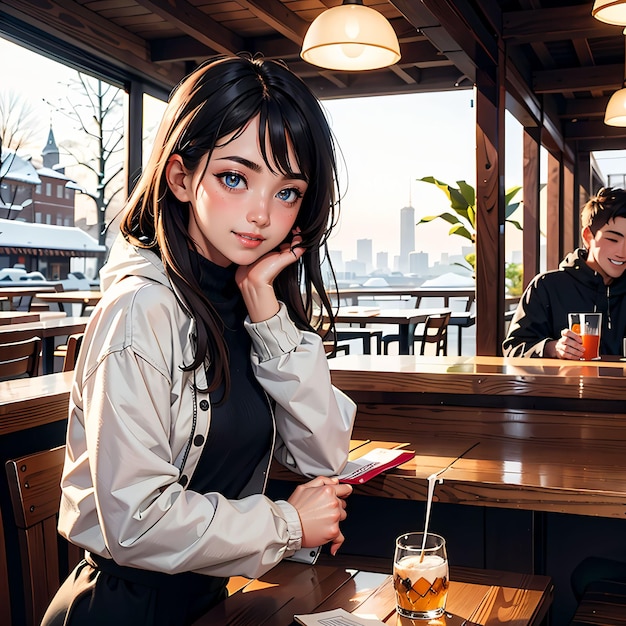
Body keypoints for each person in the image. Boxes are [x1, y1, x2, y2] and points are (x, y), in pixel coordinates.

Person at [42, 54, 356, 626]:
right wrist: (286, 524)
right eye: (234, 178)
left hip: (208, 605)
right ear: (182, 177)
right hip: (122, 612)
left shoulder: (246, 300)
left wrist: (268, 314)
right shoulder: (141, 311)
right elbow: (136, 520)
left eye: (287, 192)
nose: (261, 215)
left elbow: (325, 457)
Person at [502, 187, 626, 359]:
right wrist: (552, 348)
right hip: (565, 386)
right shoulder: (546, 286)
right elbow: (513, 348)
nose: (623, 252)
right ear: (588, 237)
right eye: (612, 239)